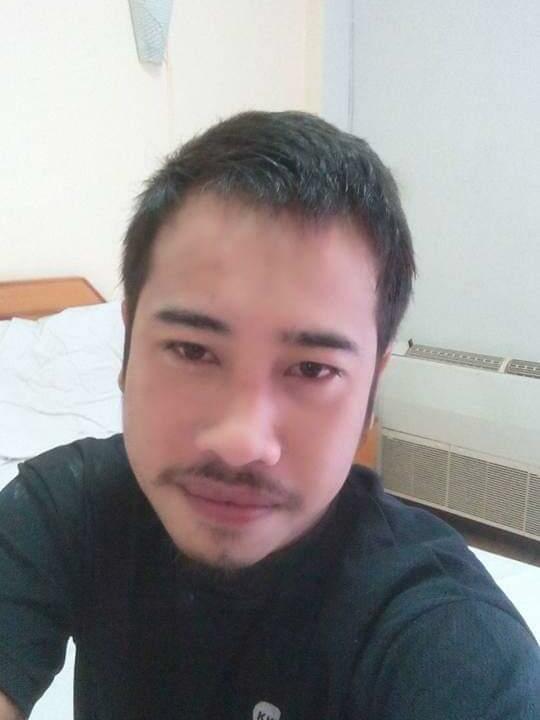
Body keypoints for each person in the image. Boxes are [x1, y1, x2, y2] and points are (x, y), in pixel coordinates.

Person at [0, 111, 538, 720]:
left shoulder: (446, 639)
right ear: (126, 349)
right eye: (192, 351)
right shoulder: (62, 509)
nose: (241, 442)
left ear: (371, 390)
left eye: (311, 369)